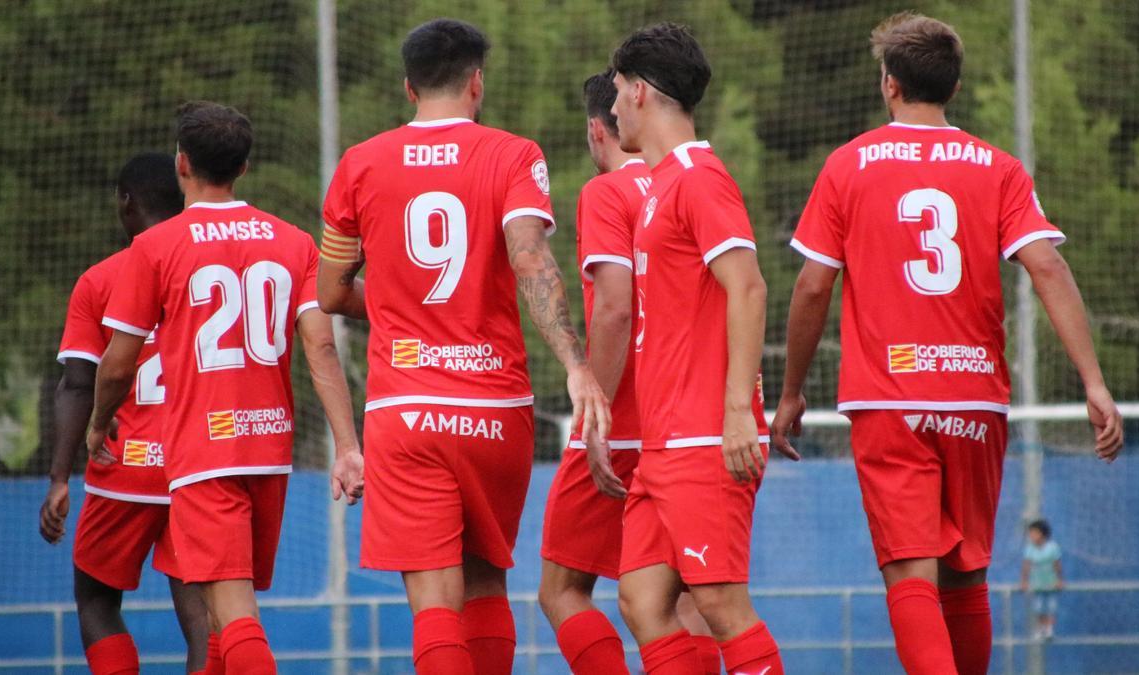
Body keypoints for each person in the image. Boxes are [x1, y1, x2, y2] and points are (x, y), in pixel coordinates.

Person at [770, 12, 1124, 675]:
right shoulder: (999, 167)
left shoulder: (848, 166)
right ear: (955, 88)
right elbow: (1048, 265)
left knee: (910, 573)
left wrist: (792, 392)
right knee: (965, 575)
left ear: (889, 85)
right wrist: (1093, 381)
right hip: (975, 401)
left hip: (889, 399)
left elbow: (814, 286)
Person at [316, 19, 610, 675]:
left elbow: (331, 290)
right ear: (477, 81)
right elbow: (530, 257)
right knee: (484, 589)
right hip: (495, 409)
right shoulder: (513, 154)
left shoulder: (360, 163)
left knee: (434, 607)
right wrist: (575, 363)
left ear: (407, 87)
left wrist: (396, 304)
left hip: (408, 412)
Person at [88, 101, 365, 675]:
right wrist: (347, 446)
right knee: (218, 618)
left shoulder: (156, 248)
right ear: (244, 168)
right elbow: (320, 348)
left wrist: (97, 422)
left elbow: (118, 364)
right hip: (269, 451)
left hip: (205, 455)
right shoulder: (292, 242)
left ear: (182, 164)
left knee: (236, 614)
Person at [609, 23, 787, 675]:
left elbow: (747, 287)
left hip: (704, 436)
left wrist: (738, 409)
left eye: (619, 90)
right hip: (664, 442)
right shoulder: (657, 185)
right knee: (640, 599)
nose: (612, 105)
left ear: (643, 93)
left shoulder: (699, 177)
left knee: (719, 600)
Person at [538, 69, 720, 674]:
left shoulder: (608, 192)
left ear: (599, 128)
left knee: (561, 590)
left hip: (624, 424)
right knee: (686, 601)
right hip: (691, 423)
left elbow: (615, 307)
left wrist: (598, 410)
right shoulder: (693, 179)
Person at [40, 153, 209, 675]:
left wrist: (59, 477)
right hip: (196, 467)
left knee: (96, 600)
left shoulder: (101, 279)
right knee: (203, 616)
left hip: (123, 468)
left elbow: (77, 384)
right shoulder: (206, 272)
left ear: (126, 201)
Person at [1022, 519, 1063, 640]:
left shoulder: (1052, 547)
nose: (1032, 536)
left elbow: (1057, 565)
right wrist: (1024, 581)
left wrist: (1059, 580)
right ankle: (1041, 628)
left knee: (1051, 607)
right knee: (1038, 607)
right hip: (1038, 584)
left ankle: (1049, 629)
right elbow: (1026, 566)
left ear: (1042, 533)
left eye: (1034, 533)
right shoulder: (1030, 549)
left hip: (1051, 583)